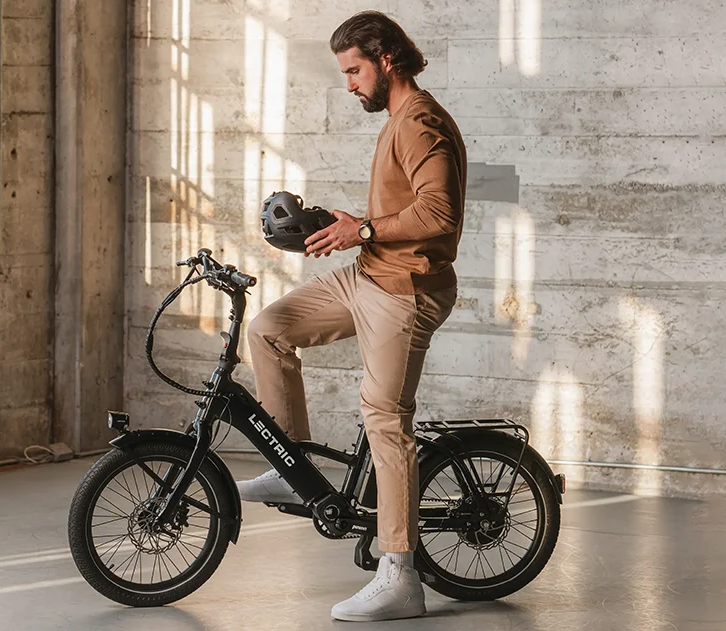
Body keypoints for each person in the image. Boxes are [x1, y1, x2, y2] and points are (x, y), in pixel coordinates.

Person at [239, 10, 467, 622]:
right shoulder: (397, 120)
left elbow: (439, 215)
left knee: (384, 418)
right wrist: (342, 228)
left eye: (354, 70)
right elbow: (401, 212)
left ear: (386, 59)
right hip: (367, 274)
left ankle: (400, 575)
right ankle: (292, 468)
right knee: (269, 330)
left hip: (404, 292)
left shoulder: (419, 124)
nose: (349, 84)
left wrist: (361, 228)